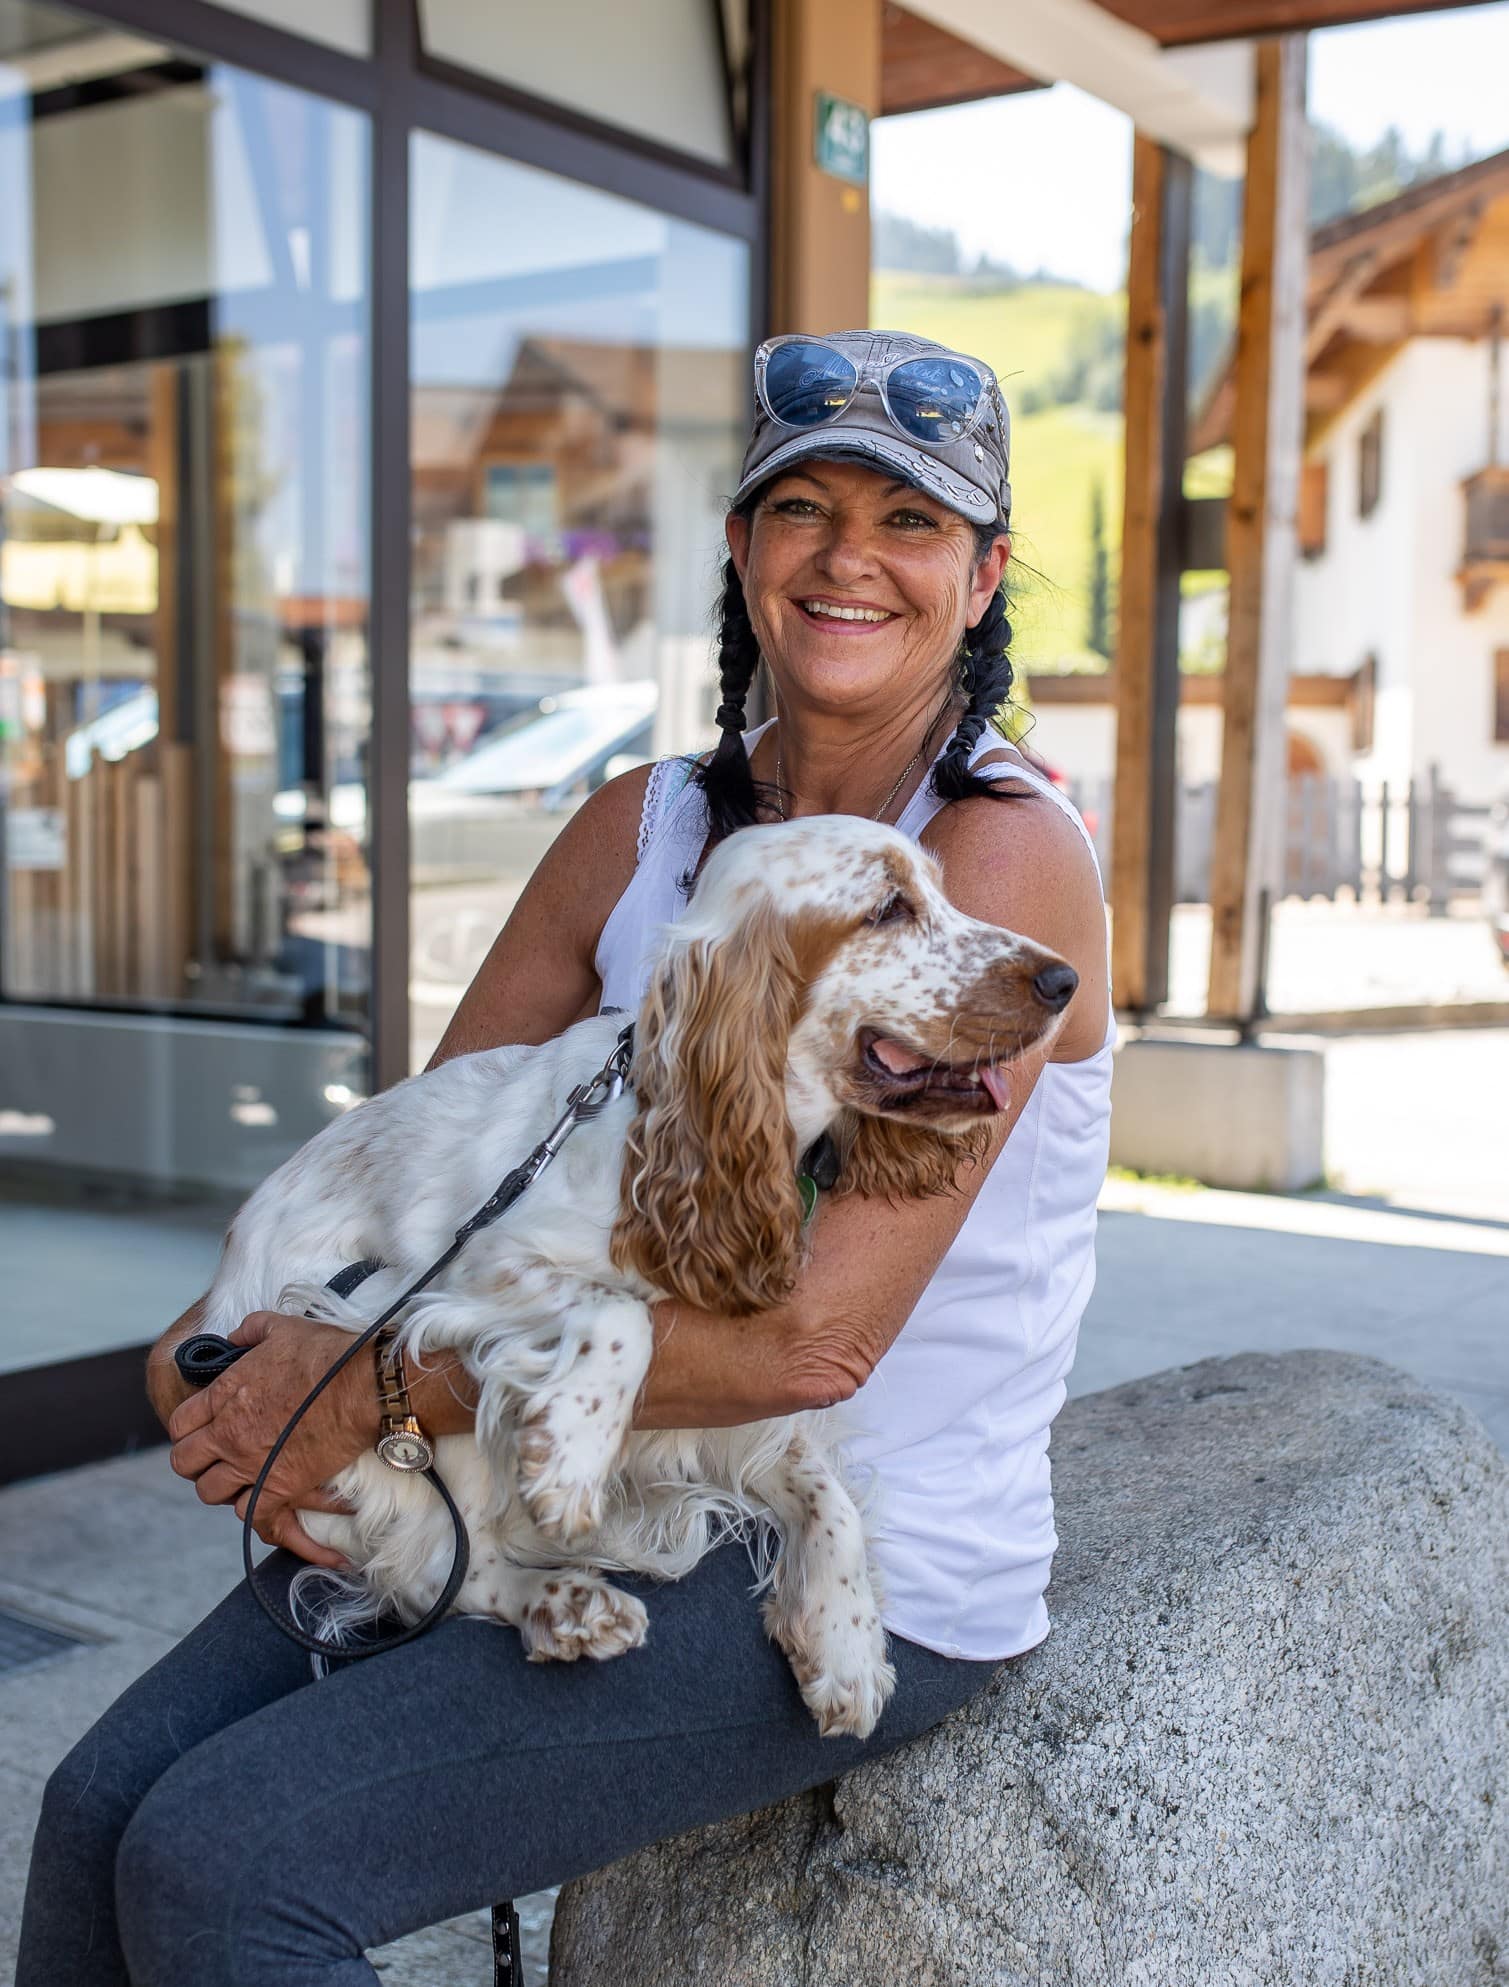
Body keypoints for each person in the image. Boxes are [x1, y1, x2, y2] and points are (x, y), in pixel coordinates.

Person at [17, 329, 1113, 1986]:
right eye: (801, 508)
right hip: (554, 1488)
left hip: (815, 1536)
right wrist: (232, 1350)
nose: (846, 557)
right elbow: (431, 1167)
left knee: (235, 1864)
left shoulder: (996, 865)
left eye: (909, 523)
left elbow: (809, 1341)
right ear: (740, 551)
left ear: (980, 579)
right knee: (99, 1805)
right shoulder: (645, 826)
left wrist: (382, 1393)